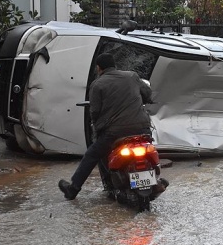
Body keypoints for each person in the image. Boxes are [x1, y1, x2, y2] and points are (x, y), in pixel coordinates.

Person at [58, 52, 153, 200]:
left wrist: (96, 129)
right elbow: (147, 93)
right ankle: (155, 182)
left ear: (98, 68)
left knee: (92, 154)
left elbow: (95, 112)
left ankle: (73, 189)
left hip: (115, 133)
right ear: (114, 65)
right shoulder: (132, 76)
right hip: (143, 129)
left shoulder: (97, 84)